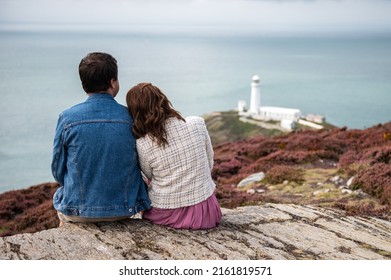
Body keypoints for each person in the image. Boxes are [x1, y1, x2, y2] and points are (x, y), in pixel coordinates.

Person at [51, 52, 151, 224]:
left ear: (84, 84)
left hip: (79, 212)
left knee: (60, 196)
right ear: (113, 82)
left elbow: (58, 170)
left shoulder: (67, 118)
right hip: (125, 210)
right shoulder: (131, 116)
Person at [126, 83, 222, 230]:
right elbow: (209, 162)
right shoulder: (198, 123)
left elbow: (148, 177)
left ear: (135, 112)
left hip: (166, 212)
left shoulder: (143, 144)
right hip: (206, 211)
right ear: (163, 99)